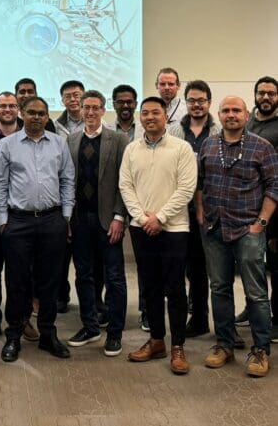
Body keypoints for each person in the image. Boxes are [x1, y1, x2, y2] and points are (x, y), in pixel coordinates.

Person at [196, 96, 278, 377]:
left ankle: (261, 350)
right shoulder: (208, 144)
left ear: (246, 114)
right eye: (226, 110)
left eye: (236, 110)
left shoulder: (261, 146)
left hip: (248, 230)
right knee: (219, 288)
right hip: (215, 229)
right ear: (218, 114)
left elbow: (274, 187)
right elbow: (200, 183)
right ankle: (225, 344)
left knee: (256, 292)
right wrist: (200, 213)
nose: (231, 115)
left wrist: (261, 223)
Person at [0, 96, 75, 363]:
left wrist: (65, 218)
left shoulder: (59, 144)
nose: (37, 117)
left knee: (50, 280)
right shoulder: (7, 145)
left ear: (46, 116)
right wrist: (4, 221)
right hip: (18, 222)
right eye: (31, 112)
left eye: (41, 113)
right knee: (16, 282)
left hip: (52, 220)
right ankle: (14, 335)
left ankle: (48, 335)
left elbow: (67, 181)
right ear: (21, 114)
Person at [120, 96, 197, 375]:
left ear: (166, 116)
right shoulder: (131, 149)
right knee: (149, 287)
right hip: (142, 229)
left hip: (174, 229)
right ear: (140, 118)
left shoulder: (182, 148)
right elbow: (125, 187)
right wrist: (143, 219)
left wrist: (160, 218)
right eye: (146, 113)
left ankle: (178, 346)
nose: (150, 117)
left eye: (156, 112)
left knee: (175, 288)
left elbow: (187, 189)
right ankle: (156, 341)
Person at [67, 90, 128, 357]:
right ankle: (90, 326)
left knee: (114, 278)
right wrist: (67, 218)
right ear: (80, 110)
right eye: (86, 108)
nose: (90, 112)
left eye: (95, 107)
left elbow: (125, 182)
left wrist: (119, 217)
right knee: (84, 275)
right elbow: (67, 181)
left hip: (108, 220)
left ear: (104, 111)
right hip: (80, 220)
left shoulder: (119, 139)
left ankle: (114, 333)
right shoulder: (71, 140)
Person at [0, 92, 39, 343]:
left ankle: (22, 318)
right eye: (2, 105)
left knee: (21, 272)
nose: (7, 109)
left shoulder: (29, 139)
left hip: (21, 217)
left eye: (12, 106)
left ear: (19, 110)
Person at [170, 80, 219, 338]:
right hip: (181, 208)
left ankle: (201, 319)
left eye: (201, 100)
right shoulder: (176, 131)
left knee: (204, 268)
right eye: (191, 100)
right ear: (186, 102)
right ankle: (191, 317)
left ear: (209, 102)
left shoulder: (218, 129)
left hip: (211, 208)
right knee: (184, 266)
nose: (196, 105)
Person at [234, 76, 278, 333]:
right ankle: (253, 309)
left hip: (274, 209)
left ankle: (276, 319)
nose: (266, 98)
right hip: (249, 206)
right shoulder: (249, 121)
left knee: (276, 267)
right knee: (252, 264)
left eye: (271, 94)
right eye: (261, 93)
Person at [112, 83, 145, 331]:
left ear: (135, 104)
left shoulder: (147, 129)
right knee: (109, 263)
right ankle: (107, 308)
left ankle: (146, 310)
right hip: (113, 202)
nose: (125, 105)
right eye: (120, 101)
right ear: (113, 104)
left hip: (144, 204)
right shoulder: (105, 132)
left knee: (145, 263)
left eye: (129, 101)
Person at [54, 80, 85, 313]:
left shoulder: (96, 123)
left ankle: (92, 299)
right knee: (60, 251)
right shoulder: (55, 126)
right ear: (62, 100)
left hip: (87, 194)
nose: (73, 99)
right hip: (60, 192)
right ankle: (61, 296)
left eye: (77, 95)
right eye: (68, 96)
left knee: (87, 254)